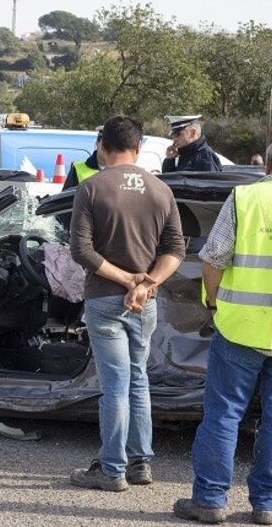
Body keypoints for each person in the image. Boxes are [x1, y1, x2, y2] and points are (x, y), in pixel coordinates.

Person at [172, 135, 272, 526]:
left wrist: (213, 301)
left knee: (224, 415)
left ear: (267, 166)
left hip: (240, 327)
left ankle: (209, 501)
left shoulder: (244, 198)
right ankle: (267, 506)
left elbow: (212, 259)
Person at [68, 116, 185, 492]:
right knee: (138, 380)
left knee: (115, 385)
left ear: (103, 147)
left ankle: (111, 469)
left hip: (105, 300)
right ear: (138, 148)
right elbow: (175, 250)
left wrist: (125, 281)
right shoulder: (161, 190)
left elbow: (80, 250)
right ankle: (140, 463)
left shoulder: (91, 187)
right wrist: (146, 283)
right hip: (144, 304)